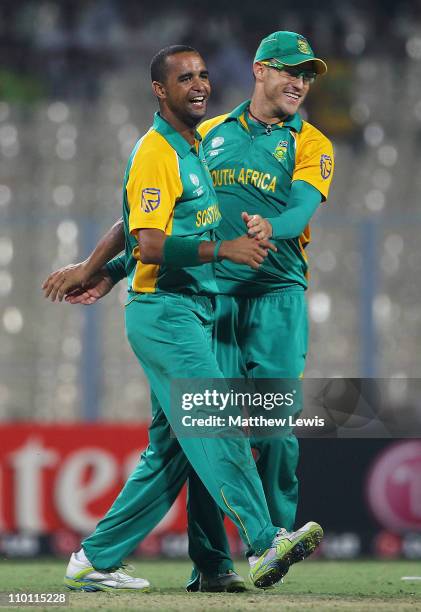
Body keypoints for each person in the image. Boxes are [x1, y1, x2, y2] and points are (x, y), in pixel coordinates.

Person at [47, 43, 324, 593]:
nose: (199, 85)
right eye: (184, 78)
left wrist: (101, 269)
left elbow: (144, 223)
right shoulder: (159, 151)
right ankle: (266, 539)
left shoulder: (193, 146)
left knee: (172, 450)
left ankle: (95, 558)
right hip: (169, 312)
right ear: (160, 90)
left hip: (196, 309)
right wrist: (219, 254)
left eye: (202, 75)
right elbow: (149, 238)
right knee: (217, 416)